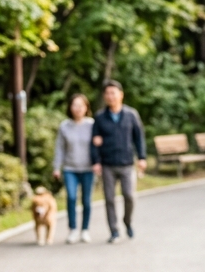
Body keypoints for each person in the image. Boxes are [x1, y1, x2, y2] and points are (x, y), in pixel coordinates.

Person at [91, 80, 146, 244]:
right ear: (104, 96)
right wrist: (96, 161)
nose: (110, 96)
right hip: (107, 164)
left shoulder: (131, 115)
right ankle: (114, 230)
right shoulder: (100, 117)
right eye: (107, 93)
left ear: (121, 95)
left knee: (129, 196)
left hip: (127, 163)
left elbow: (139, 138)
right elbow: (93, 141)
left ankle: (127, 222)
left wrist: (142, 157)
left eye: (113, 93)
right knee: (109, 199)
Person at [53, 93, 95, 244]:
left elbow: (97, 146)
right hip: (70, 168)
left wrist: (99, 163)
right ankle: (72, 229)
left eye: (81, 106)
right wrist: (56, 167)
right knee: (71, 198)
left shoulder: (92, 125)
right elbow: (60, 148)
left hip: (88, 168)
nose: (77, 109)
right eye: (75, 105)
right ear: (70, 107)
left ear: (86, 108)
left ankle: (85, 230)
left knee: (87, 200)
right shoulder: (64, 126)